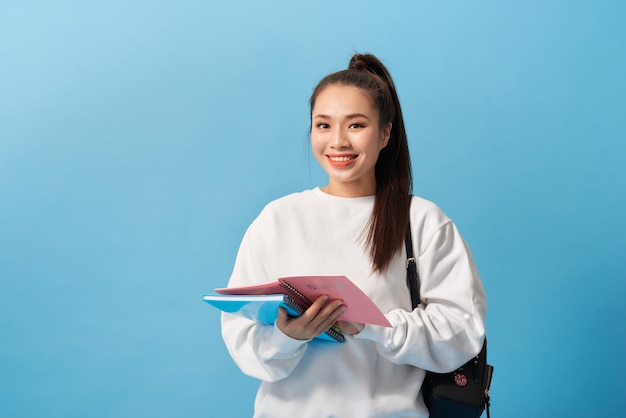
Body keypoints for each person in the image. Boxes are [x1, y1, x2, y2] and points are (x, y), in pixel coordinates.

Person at [220, 53, 486, 418]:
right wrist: (287, 337)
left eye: (356, 125)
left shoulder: (422, 220)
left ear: (386, 133)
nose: (338, 142)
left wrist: (372, 326)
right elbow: (242, 338)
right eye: (323, 125)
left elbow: (462, 333)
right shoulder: (277, 219)